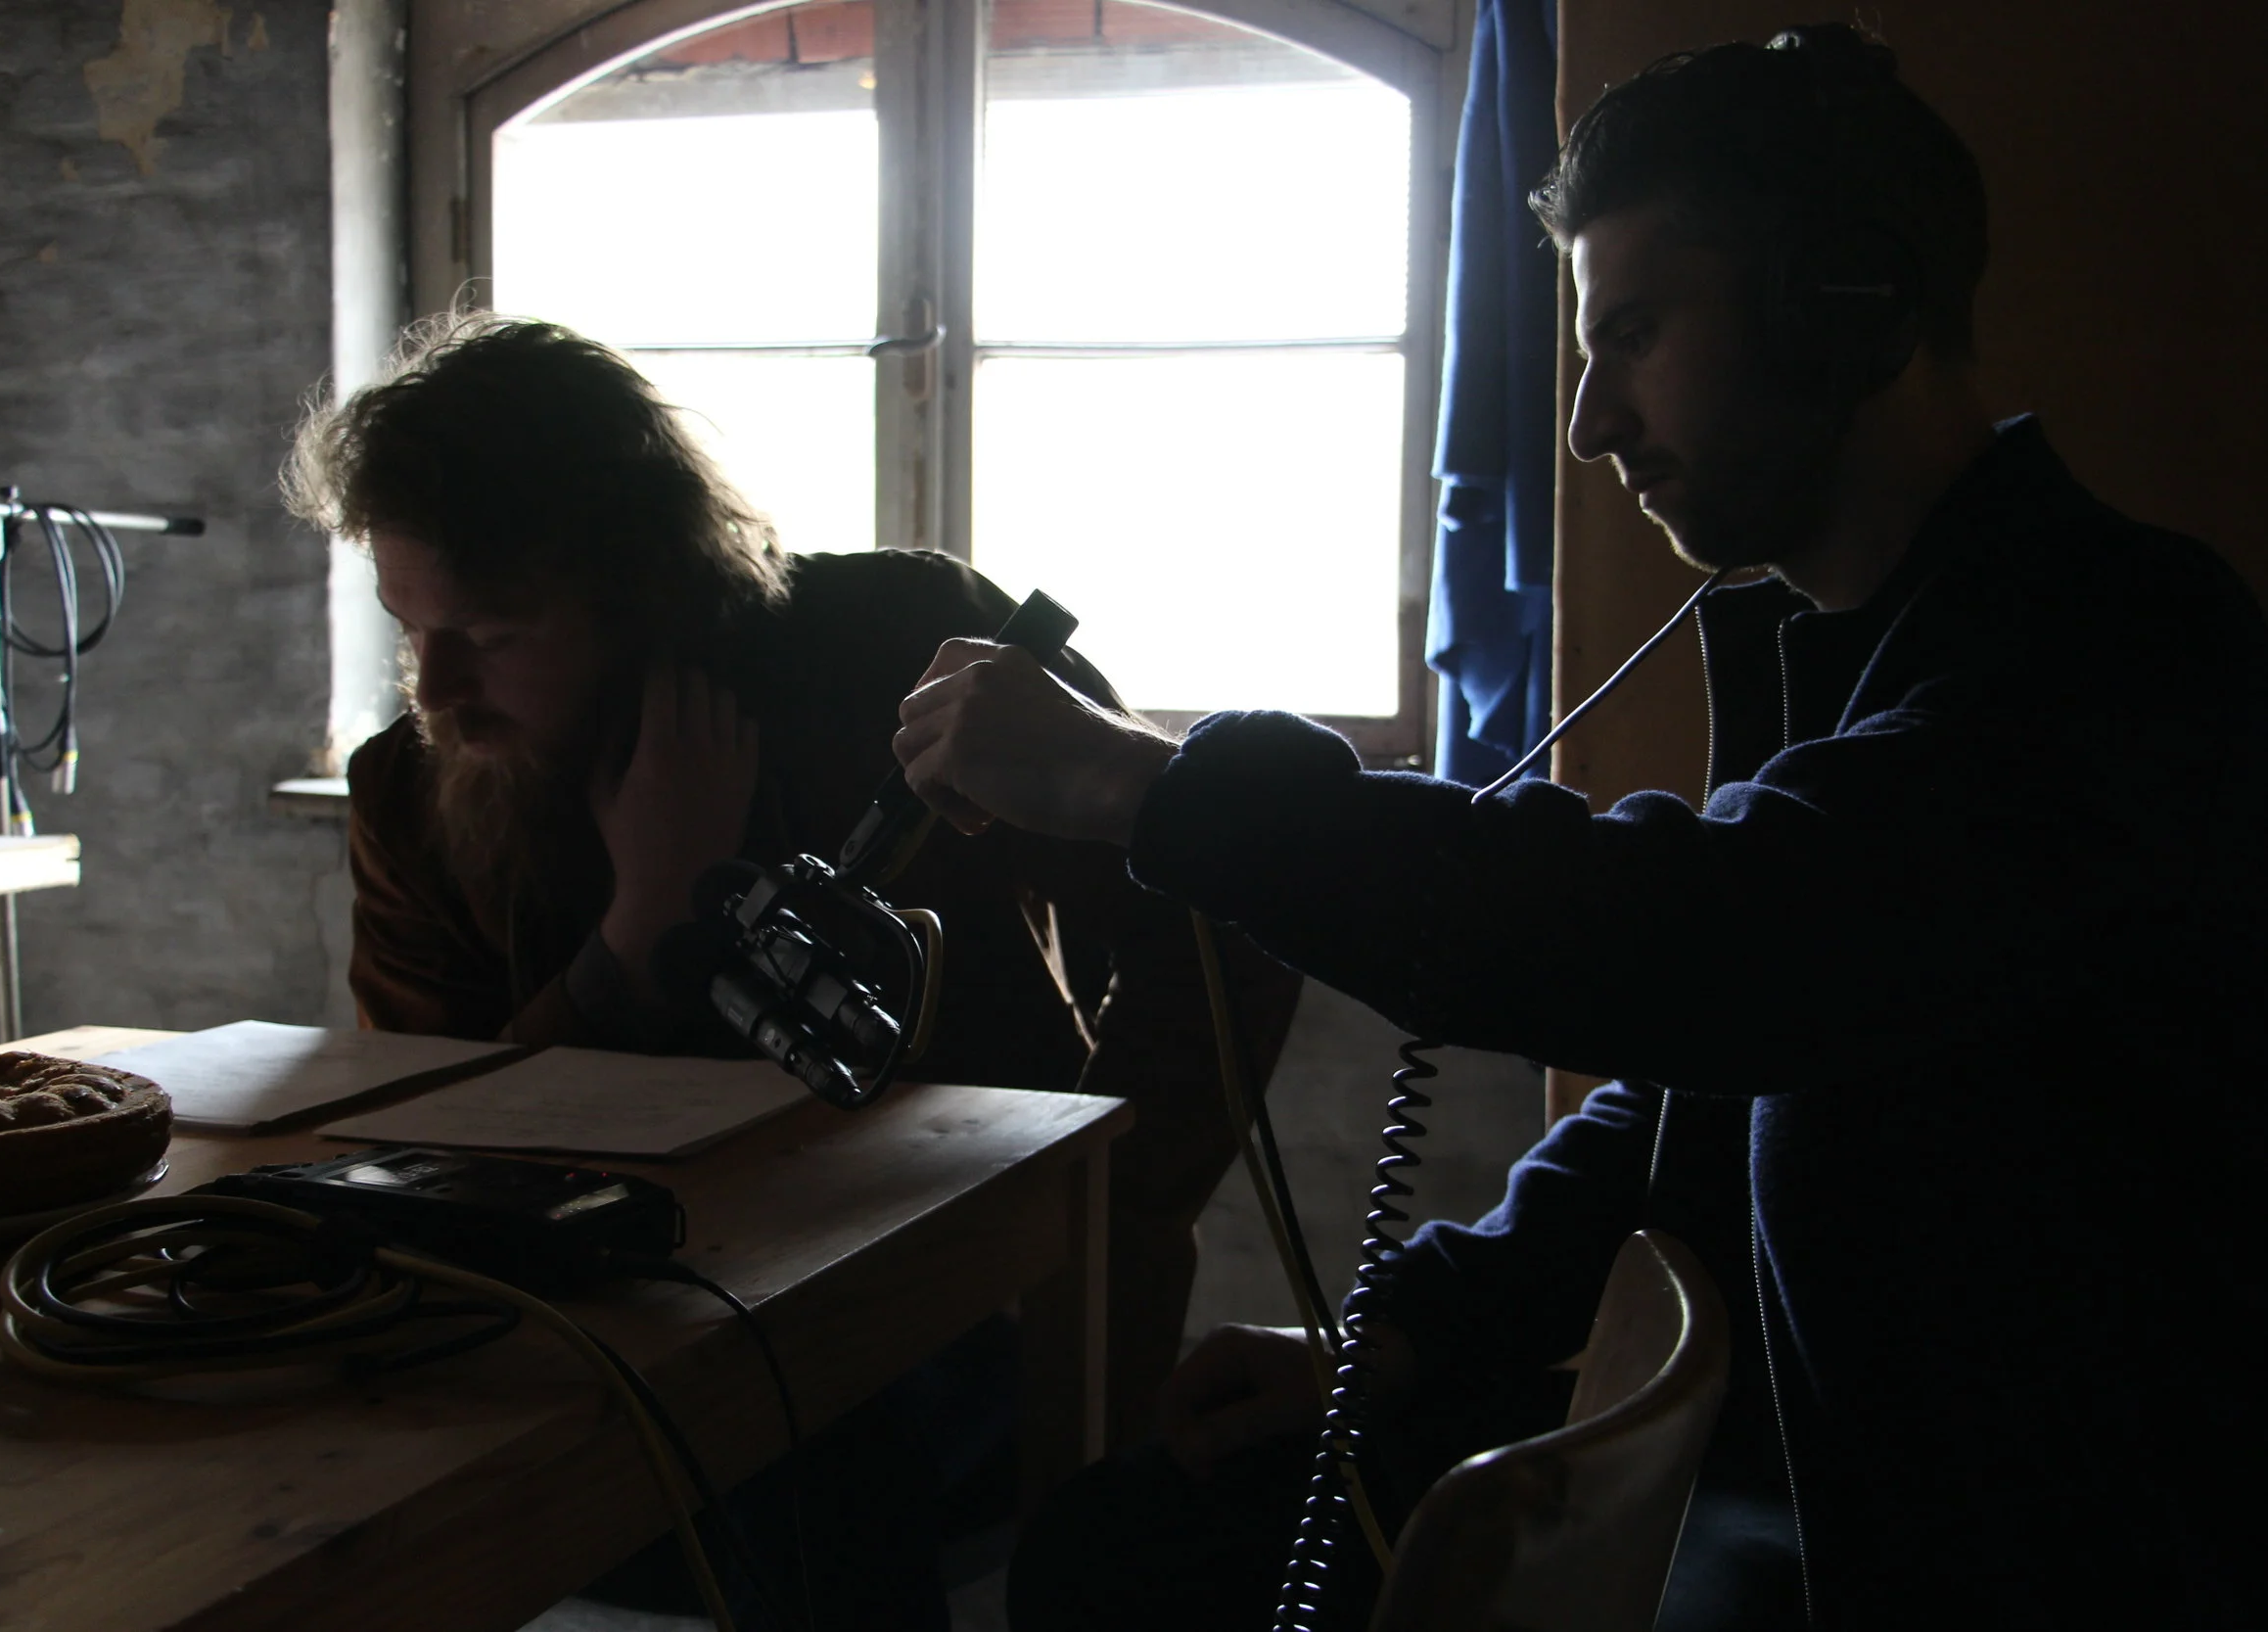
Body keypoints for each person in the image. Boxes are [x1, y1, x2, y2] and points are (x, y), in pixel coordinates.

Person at [892, 24, 2268, 1631]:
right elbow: (1709, 1092)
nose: (1589, 424)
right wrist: (1419, 1322)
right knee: (1130, 1539)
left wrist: (1143, 785)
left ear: (1845, 306)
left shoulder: (2120, 649)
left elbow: (1720, 946)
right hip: (1821, 1492)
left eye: (1634, 334)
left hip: (2027, 1562)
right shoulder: (1878, 650)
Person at [282, 315, 1301, 1620]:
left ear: (639, 586)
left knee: (793, 1439)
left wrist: (1117, 1202)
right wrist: (639, 929)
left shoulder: (905, 649)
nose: (435, 691)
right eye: (408, 627)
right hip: (610, 1325)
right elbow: (437, 1149)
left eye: (496, 635)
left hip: (946, 1309)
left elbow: (1217, 904)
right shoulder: (407, 796)